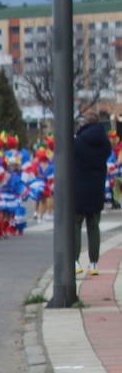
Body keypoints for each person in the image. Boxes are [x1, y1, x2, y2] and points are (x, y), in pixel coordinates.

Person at [73, 111, 111, 276]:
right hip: (97, 188)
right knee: (94, 227)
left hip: (79, 188)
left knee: (75, 225)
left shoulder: (78, 141)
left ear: (85, 124)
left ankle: (75, 261)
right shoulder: (105, 143)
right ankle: (94, 263)